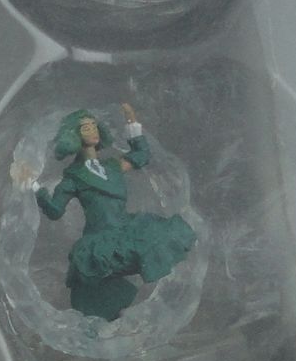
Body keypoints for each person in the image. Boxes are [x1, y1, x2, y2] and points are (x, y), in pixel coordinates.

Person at [12, 104, 196, 321]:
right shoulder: (73, 177)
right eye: (85, 128)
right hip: (100, 240)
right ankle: (104, 316)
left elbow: (142, 155)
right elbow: (54, 211)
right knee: (97, 292)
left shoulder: (112, 166)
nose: (93, 130)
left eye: (93, 125)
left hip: (126, 228)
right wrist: (33, 186)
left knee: (164, 235)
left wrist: (132, 124)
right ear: (74, 135)